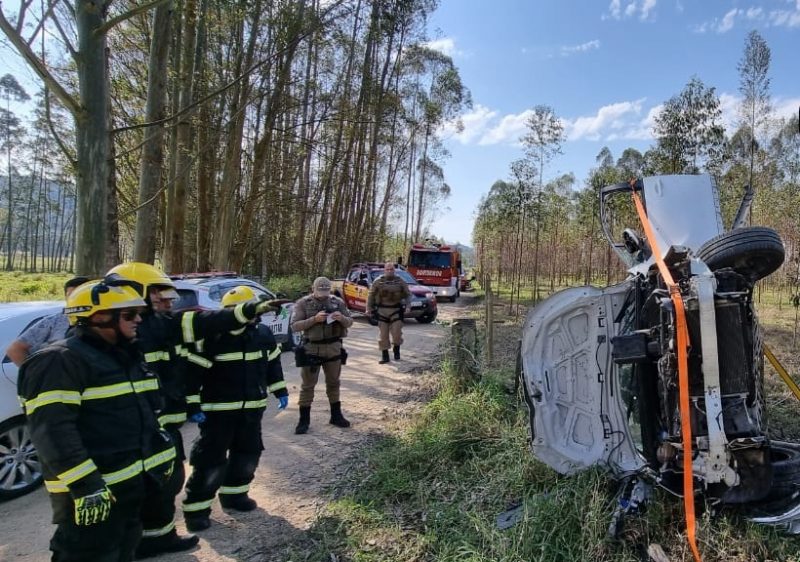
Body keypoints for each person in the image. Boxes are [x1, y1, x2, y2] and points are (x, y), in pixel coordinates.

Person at [105, 262, 279, 558]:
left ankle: (159, 538)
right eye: (159, 294)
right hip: (135, 430)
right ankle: (132, 543)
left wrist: (247, 311)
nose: (167, 300)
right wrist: (196, 402)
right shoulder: (111, 339)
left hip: (163, 426)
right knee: (136, 490)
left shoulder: (161, 324)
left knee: (167, 483)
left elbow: (203, 322)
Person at [16, 277, 176, 562]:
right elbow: (52, 432)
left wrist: (160, 456)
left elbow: (145, 416)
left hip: (130, 492)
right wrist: (86, 486)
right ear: (98, 317)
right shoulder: (59, 361)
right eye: (129, 314)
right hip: (92, 497)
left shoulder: (126, 357)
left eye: (139, 313)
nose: (139, 320)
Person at [181, 286, 288, 532]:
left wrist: (280, 390)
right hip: (218, 412)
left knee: (248, 454)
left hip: (252, 409)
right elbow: (193, 374)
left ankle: (235, 495)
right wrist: (192, 404)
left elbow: (272, 364)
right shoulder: (213, 338)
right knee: (210, 460)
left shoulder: (262, 334)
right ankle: (196, 509)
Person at [290, 276, 353, 434]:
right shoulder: (303, 303)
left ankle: (336, 415)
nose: (323, 295)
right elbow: (295, 326)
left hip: (333, 348)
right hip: (312, 348)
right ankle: (303, 420)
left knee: (333, 383)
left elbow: (350, 322)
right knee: (307, 386)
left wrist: (341, 318)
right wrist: (314, 319)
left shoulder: (337, 302)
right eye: (320, 291)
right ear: (313, 289)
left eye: (326, 291)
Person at [6, 275, 89, 366]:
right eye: (71, 296)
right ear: (65, 297)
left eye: (79, 295)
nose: (75, 300)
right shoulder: (54, 322)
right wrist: (36, 374)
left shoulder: (104, 318)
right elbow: (15, 349)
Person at [366, 262, 411, 364]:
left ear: (394, 270)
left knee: (396, 334)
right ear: (384, 270)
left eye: (391, 269)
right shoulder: (378, 282)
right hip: (382, 311)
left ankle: (396, 348)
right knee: (383, 335)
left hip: (396, 311)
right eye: (388, 269)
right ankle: (385, 355)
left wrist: (408, 306)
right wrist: (368, 308)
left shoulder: (400, 281)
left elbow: (408, 294)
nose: (390, 271)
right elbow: (371, 295)